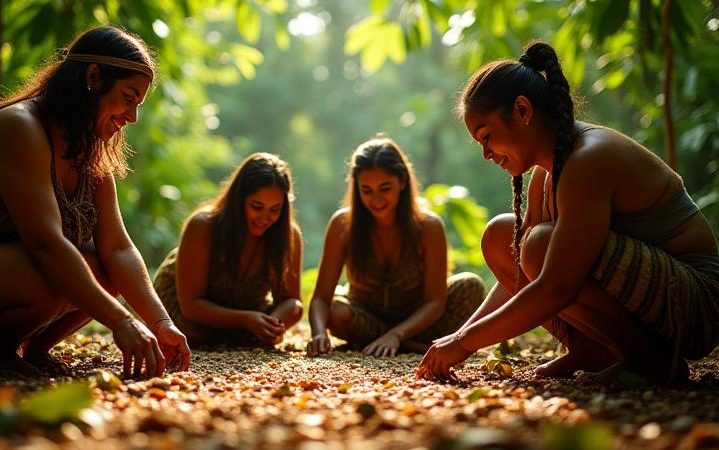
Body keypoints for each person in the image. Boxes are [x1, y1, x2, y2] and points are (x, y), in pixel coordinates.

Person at [417, 41, 719, 385]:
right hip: (653, 293)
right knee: (502, 237)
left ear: (522, 111)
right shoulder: (546, 172)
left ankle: (652, 362)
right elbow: (522, 276)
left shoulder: (588, 159)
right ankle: (590, 350)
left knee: (538, 246)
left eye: (487, 137)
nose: (487, 153)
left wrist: (464, 343)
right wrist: (459, 339)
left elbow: (556, 286)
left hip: (698, 306)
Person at [0, 26, 190, 378]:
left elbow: (119, 249)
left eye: (137, 104)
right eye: (128, 97)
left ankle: (32, 349)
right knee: (49, 274)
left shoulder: (89, 149)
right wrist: (121, 322)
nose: (132, 117)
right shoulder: (19, 127)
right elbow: (45, 246)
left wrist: (160, 322)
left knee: (104, 270)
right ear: (93, 77)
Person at [306, 135, 486, 358]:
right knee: (336, 311)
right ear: (356, 187)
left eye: (385, 188)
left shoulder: (428, 227)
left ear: (402, 182)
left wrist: (397, 335)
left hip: (418, 322)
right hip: (365, 319)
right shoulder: (342, 223)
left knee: (471, 286)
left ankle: (398, 342)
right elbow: (321, 298)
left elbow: (435, 302)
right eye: (367, 190)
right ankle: (411, 347)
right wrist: (318, 334)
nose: (376, 199)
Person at [153, 153, 304, 347]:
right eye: (257, 207)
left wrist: (272, 324)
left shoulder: (289, 235)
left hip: (250, 316)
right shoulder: (203, 225)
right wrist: (246, 320)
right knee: (196, 334)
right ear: (238, 199)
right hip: (188, 313)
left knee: (244, 337)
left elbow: (293, 303)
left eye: (275, 209)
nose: (265, 218)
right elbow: (191, 307)